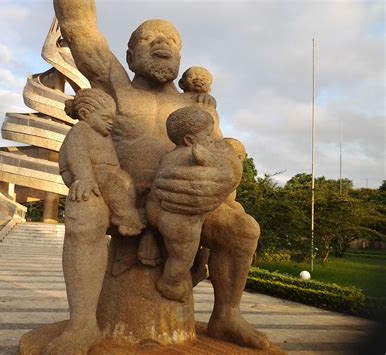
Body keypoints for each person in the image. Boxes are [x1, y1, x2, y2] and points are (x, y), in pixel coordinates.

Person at [51, 0, 270, 352]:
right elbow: (78, 25)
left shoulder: (196, 108)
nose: (161, 43)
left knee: (242, 230)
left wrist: (222, 181)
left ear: (180, 56)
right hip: (119, 200)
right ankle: (82, 325)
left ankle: (227, 315)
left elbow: (223, 158)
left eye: (171, 39)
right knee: (83, 211)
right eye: (148, 38)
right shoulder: (115, 87)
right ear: (130, 54)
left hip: (181, 203)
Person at [146, 106, 233, 303]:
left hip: (161, 213)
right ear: (190, 140)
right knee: (182, 257)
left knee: (178, 254)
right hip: (182, 220)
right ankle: (170, 284)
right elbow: (220, 169)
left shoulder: (167, 157)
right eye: (208, 135)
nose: (211, 140)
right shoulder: (196, 153)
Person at [59, 88, 145, 237]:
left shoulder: (105, 136)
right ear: (85, 114)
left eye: (112, 119)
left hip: (109, 174)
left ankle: (122, 212)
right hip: (89, 173)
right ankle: (126, 217)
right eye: (106, 119)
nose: (110, 123)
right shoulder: (81, 129)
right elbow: (77, 155)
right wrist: (84, 177)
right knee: (110, 181)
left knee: (126, 181)